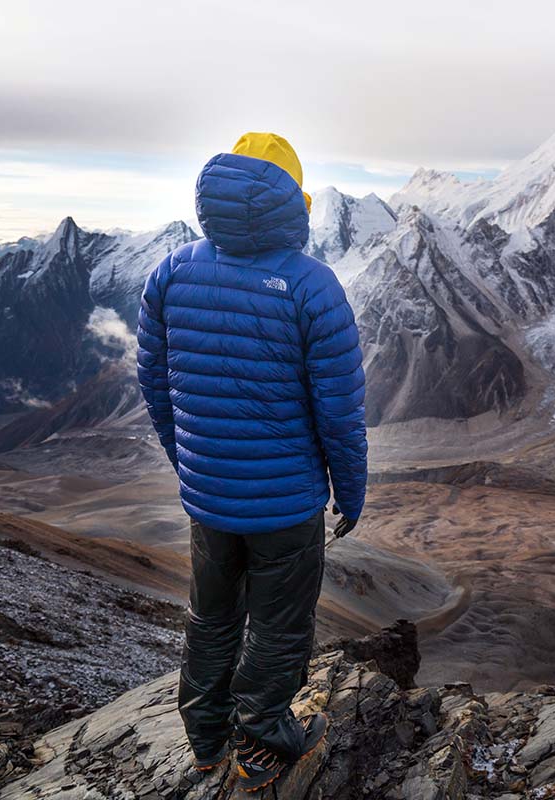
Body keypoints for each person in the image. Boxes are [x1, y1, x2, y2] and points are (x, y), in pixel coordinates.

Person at [136, 132, 367, 791]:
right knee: (278, 626)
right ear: (295, 202)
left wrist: (193, 465)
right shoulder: (311, 287)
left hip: (208, 500)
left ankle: (206, 740)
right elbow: (339, 414)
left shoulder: (173, 271)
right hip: (286, 507)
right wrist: (349, 495)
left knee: (210, 618)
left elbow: (154, 383)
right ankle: (263, 745)